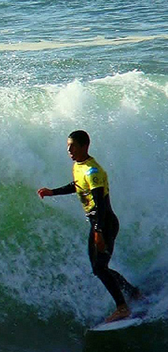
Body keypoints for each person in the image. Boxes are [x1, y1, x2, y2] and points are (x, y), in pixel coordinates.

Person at [37, 130, 142, 323]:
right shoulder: (79, 165)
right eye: (68, 146)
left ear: (84, 146)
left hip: (105, 223)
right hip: (97, 223)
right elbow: (77, 185)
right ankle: (133, 293)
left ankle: (122, 307)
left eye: (72, 146)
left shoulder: (93, 171)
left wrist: (99, 232)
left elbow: (100, 204)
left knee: (100, 268)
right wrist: (53, 192)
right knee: (98, 268)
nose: (69, 150)